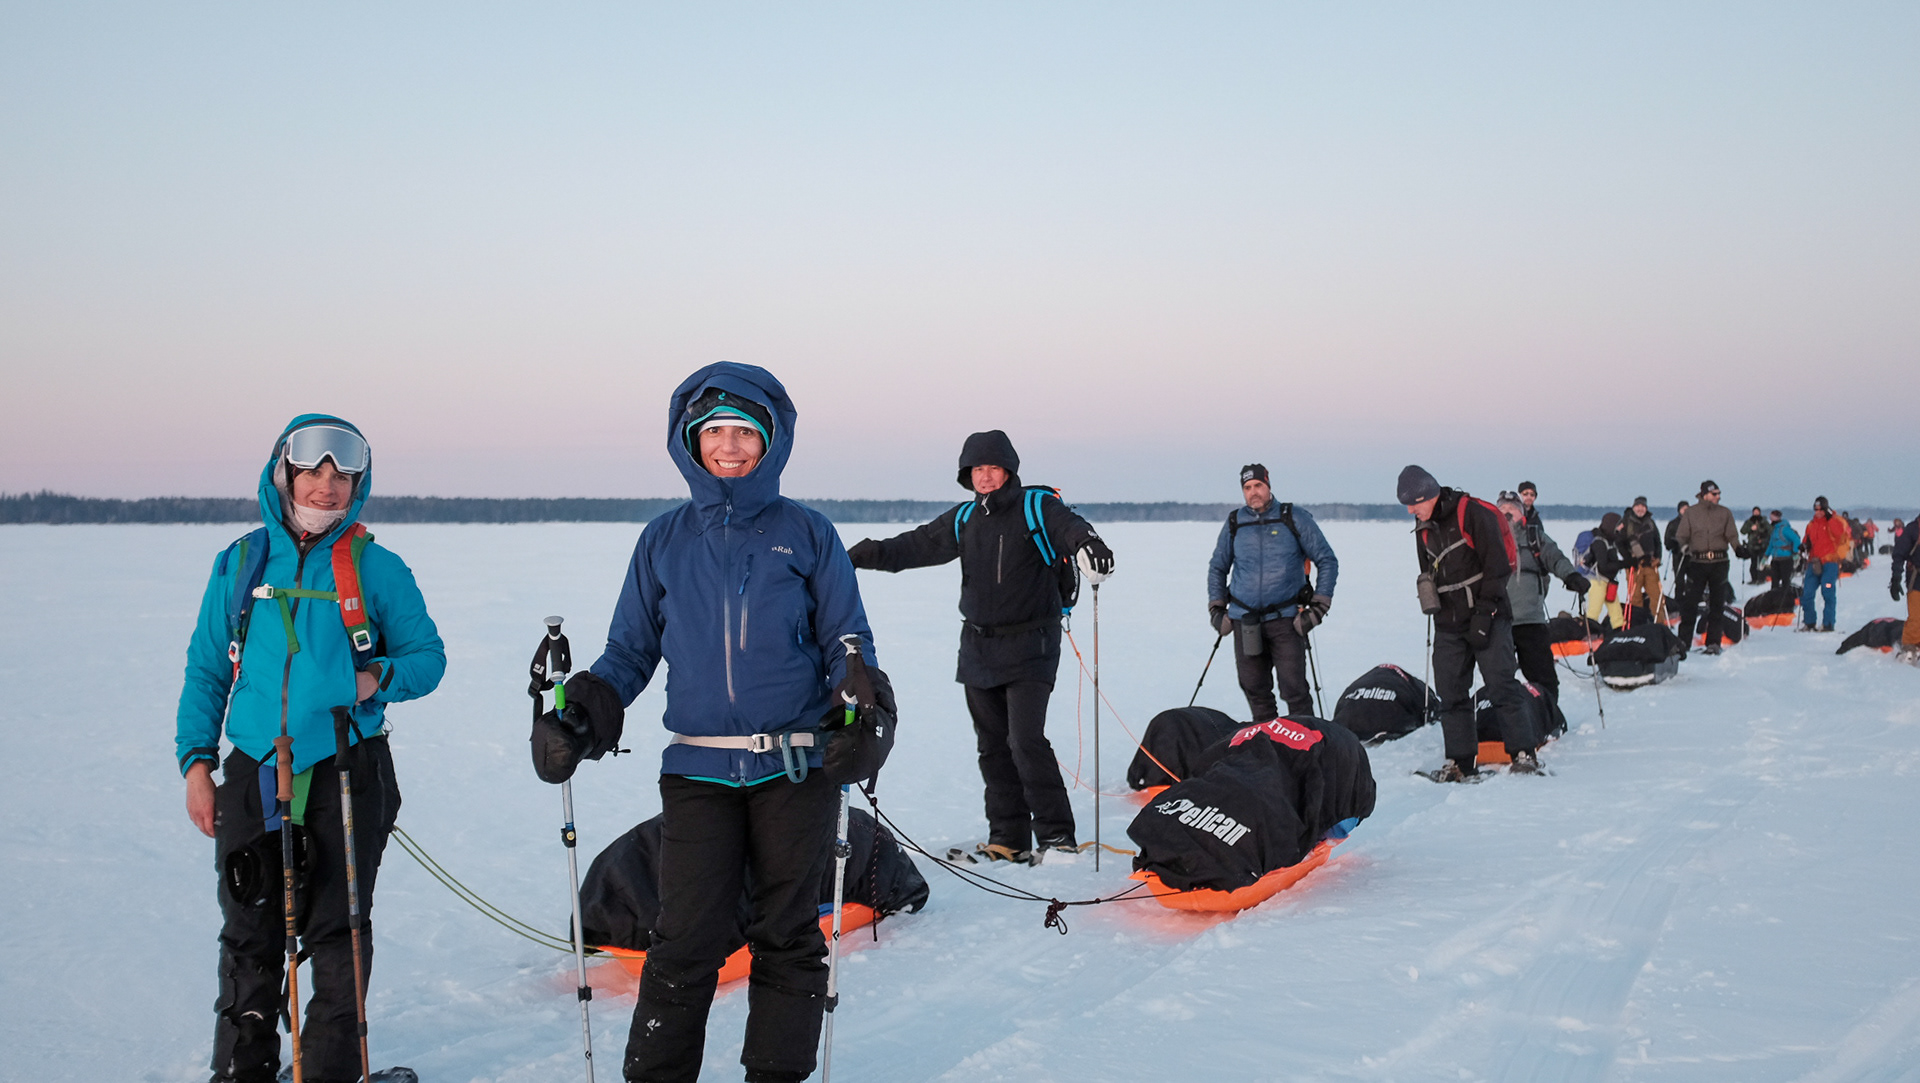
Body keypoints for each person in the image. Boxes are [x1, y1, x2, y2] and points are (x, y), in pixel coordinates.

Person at [561, 363, 881, 1083]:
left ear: (771, 440)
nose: (729, 446)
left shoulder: (808, 533)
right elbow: (629, 652)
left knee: (788, 934)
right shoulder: (664, 539)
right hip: (698, 769)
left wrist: (864, 701)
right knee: (684, 938)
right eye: (714, 431)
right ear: (690, 440)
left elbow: (846, 641)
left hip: (796, 766)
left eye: (745, 431)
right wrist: (585, 710)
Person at [177, 416, 446, 1083]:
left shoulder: (377, 567)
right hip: (253, 770)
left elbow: (428, 658)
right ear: (284, 475)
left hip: (347, 768)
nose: (327, 486)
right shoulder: (240, 563)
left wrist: (375, 677)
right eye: (313, 472)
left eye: (342, 475)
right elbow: (208, 670)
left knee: (338, 932)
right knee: (250, 931)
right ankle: (241, 1071)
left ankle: (327, 1072)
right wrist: (197, 764)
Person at [847, 430, 1113, 863]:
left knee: (1025, 741)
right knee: (992, 746)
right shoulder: (964, 518)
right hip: (978, 647)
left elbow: (1069, 528)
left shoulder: (1037, 507)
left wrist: (1089, 544)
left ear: (1009, 470)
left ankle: (1057, 837)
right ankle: (1007, 838)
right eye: (976, 470)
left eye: (993, 468)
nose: (985, 477)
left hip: (1032, 644)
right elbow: (914, 546)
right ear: (966, 476)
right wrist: (861, 555)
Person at [1398, 465, 1540, 780]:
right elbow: (1428, 570)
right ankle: (1461, 763)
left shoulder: (1473, 513)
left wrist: (1484, 614)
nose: (1410, 511)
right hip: (1448, 623)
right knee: (1451, 693)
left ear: (1429, 494)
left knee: (1501, 686)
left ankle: (1524, 755)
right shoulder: (1423, 525)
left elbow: (1498, 568)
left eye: (1413, 503)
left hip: (1488, 615)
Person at [1206, 463, 1339, 721]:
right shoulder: (1235, 522)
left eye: (1258, 485)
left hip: (1287, 621)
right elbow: (1217, 567)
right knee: (1255, 690)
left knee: (1295, 691)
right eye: (1247, 487)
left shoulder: (1294, 517)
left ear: (1268, 485)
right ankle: (1268, 742)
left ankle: (1306, 742)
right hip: (1245, 621)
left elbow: (1327, 560)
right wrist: (1216, 608)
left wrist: (1318, 608)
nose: (1253, 492)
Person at [1499, 492, 1588, 708]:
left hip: (1530, 619)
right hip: (1498, 620)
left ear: (1522, 514)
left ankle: (1549, 713)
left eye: (1512, 509)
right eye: (1503, 509)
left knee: (1542, 674)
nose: (1508, 513)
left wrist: (1571, 576)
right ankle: (1503, 716)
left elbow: (1555, 558)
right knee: (1499, 677)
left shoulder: (1535, 537)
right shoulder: (1489, 538)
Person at [1672, 480, 1739, 656]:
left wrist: (1738, 549)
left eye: (1719, 493)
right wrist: (1682, 547)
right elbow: (1681, 535)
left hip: (1719, 562)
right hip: (1697, 563)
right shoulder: (1691, 513)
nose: (1718, 497)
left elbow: (1732, 535)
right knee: (1690, 604)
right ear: (1705, 494)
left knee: (1717, 605)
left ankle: (1713, 643)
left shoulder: (1725, 513)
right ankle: (1683, 642)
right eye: (1714, 494)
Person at [1800, 496, 1850, 632]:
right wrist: (1804, 546)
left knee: (1827, 591)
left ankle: (1828, 624)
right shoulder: (1811, 525)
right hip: (1814, 563)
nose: (1818, 512)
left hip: (1830, 564)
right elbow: (1807, 539)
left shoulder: (1834, 521)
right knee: (1807, 593)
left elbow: (1841, 534)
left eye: (1821, 509)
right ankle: (1809, 623)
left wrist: (1831, 518)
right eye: (1816, 509)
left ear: (1826, 509)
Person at [1620, 496, 1667, 622]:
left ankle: (1659, 624)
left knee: (1657, 596)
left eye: (1643, 507)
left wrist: (1658, 557)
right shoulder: (1626, 522)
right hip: (1634, 567)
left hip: (1650, 565)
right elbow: (1619, 543)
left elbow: (1657, 542)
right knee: (1635, 598)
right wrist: (1628, 559)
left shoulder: (1650, 523)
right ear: (1633, 507)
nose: (1640, 509)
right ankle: (1638, 624)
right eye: (1638, 506)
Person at [1584, 511, 1628, 628]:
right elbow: (1603, 566)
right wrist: (1623, 564)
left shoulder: (1611, 540)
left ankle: (1620, 630)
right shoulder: (1600, 542)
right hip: (1598, 581)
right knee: (1594, 611)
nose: (1621, 527)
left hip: (1609, 582)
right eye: (1619, 524)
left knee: (1616, 611)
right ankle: (1589, 633)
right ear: (1611, 525)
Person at [1891, 516, 1920, 664]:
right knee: (1916, 617)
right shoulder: (1913, 529)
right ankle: (1910, 648)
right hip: (1917, 579)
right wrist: (1896, 577)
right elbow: (1899, 553)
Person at [1763, 509, 1800, 596]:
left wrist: (1795, 552)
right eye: (1771, 517)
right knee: (1774, 582)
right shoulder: (1774, 530)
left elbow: (1796, 540)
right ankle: (1774, 599)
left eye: (1773, 517)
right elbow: (1771, 545)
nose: (1771, 519)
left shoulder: (1785, 529)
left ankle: (1785, 599)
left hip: (1786, 559)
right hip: (1775, 559)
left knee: (1785, 582)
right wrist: (1765, 557)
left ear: (1778, 517)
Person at [1741, 505, 1771, 584]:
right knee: (1753, 564)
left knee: (1761, 563)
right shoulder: (1749, 522)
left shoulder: (1764, 521)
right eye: (1755, 512)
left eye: (1757, 512)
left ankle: (1761, 578)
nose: (1756, 513)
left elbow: (1770, 532)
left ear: (1760, 512)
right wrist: (1750, 528)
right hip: (1752, 546)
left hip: (1762, 546)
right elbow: (1742, 531)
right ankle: (1754, 579)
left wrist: (1763, 538)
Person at [1665, 500, 1690, 591]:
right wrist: (1674, 544)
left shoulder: (1694, 523)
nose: (1685, 511)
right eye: (1683, 509)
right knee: (1679, 581)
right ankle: (1679, 597)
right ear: (1679, 510)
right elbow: (1667, 541)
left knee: (1693, 580)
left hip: (1692, 556)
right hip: (1678, 556)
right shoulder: (1673, 524)